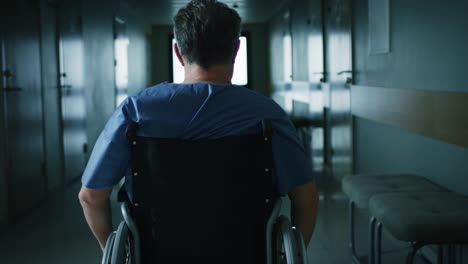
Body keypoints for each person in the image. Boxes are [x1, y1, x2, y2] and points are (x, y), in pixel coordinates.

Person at [78, 0, 318, 252]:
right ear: (236, 51)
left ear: (178, 53)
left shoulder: (136, 111)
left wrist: (117, 252)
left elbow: (90, 197)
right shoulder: (267, 115)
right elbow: (306, 198)